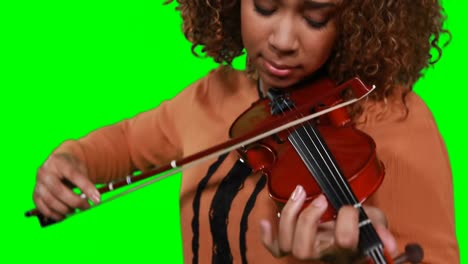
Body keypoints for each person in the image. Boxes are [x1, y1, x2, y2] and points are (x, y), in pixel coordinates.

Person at [31, 0, 459, 263]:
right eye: (265, 7)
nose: (283, 40)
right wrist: (72, 159)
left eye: (315, 17)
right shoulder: (211, 96)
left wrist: (353, 260)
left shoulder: (396, 119)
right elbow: (124, 143)